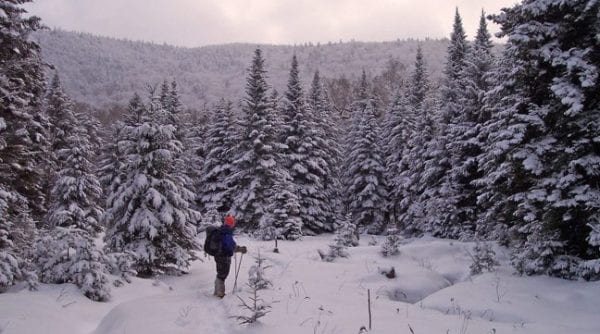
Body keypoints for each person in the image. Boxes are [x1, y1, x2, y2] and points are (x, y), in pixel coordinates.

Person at [214, 214, 247, 298]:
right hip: (223, 256)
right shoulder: (226, 232)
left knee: (220, 273)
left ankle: (217, 291)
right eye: (233, 223)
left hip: (218, 255)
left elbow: (230, 244)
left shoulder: (222, 230)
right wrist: (239, 249)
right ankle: (220, 293)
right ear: (231, 224)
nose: (233, 225)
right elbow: (229, 245)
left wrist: (237, 248)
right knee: (223, 274)